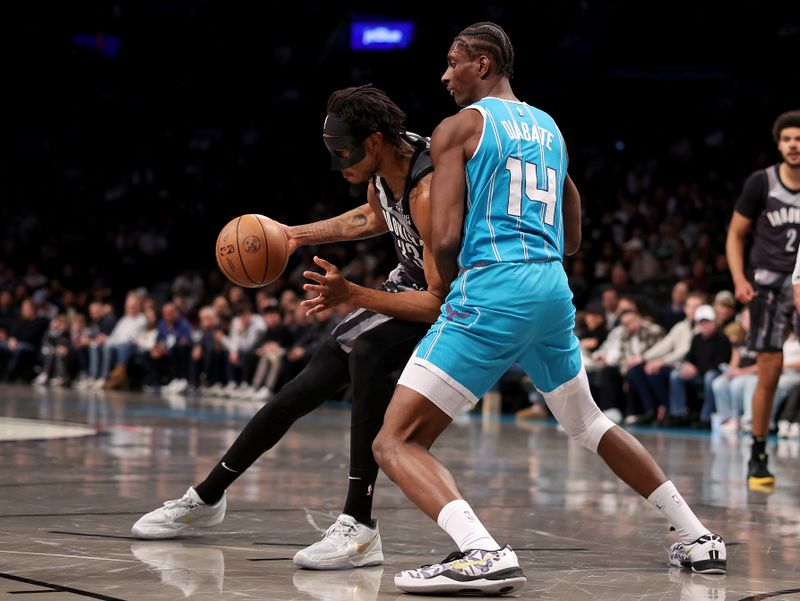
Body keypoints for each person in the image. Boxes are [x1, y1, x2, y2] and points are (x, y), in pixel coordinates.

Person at [369, 22, 726, 596]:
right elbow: (574, 234)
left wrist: (459, 290)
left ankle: (481, 551)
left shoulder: (457, 127)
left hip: (491, 288)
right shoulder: (549, 128)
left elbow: (443, 237)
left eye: (452, 62)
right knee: (589, 422)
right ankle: (698, 536)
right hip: (551, 287)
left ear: (482, 64)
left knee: (395, 440)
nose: (444, 75)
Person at [131, 85, 447, 571]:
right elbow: (372, 217)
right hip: (406, 289)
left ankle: (359, 526)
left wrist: (353, 295)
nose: (338, 163)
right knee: (296, 392)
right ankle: (207, 497)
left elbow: (435, 301)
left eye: (345, 151)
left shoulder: (427, 186)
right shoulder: (385, 172)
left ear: (377, 141)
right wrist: (294, 235)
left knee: (368, 352)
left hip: (452, 305)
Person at [725, 109, 800, 487]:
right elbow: (736, 233)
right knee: (768, 373)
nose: (794, 144)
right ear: (779, 143)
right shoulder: (762, 182)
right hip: (769, 285)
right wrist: (739, 278)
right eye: (788, 138)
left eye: (799, 138)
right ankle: (758, 454)